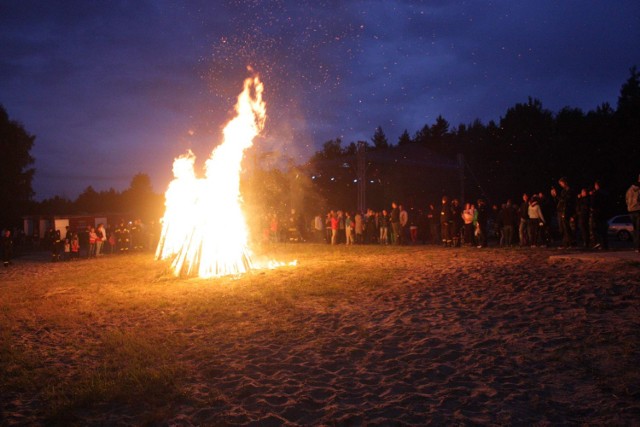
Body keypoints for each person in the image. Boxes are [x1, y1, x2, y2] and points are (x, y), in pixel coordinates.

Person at [557, 177, 576, 248]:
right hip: (561, 210)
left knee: (566, 227)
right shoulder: (563, 191)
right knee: (563, 227)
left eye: (561, 183)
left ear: (565, 182)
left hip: (566, 210)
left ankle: (570, 242)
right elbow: (561, 200)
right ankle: (566, 242)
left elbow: (566, 200)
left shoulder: (569, 190)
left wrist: (557, 196)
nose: (561, 185)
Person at [590, 181, 608, 250]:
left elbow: (593, 204)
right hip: (604, 213)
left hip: (597, 213)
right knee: (604, 230)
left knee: (597, 229)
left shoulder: (596, 194)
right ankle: (605, 244)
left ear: (596, 185)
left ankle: (600, 243)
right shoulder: (605, 194)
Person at [626, 175, 640, 253]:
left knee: (635, 229)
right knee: (638, 229)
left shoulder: (630, 189)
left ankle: (637, 247)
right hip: (638, 210)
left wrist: (629, 206)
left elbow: (626, 199)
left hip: (631, 211)